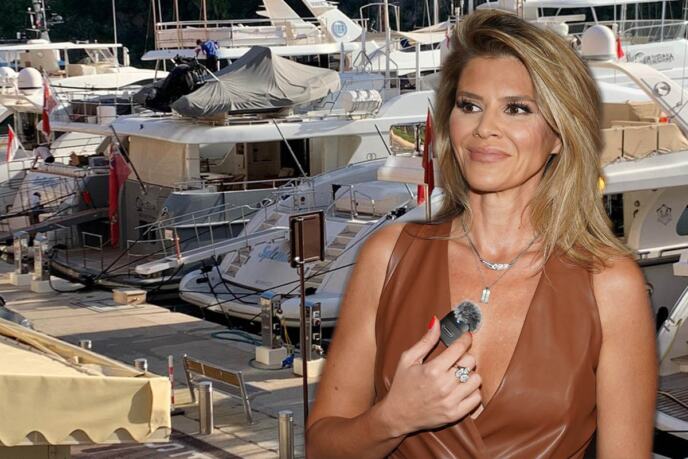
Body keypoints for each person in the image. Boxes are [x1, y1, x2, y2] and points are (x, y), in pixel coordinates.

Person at [306, 10, 657, 459]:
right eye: (469, 106)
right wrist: (393, 418)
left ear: (559, 135)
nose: (484, 128)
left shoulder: (609, 284)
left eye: (517, 109)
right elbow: (322, 448)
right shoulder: (388, 257)